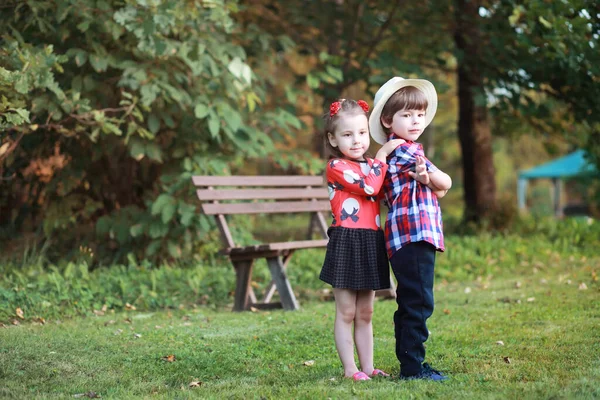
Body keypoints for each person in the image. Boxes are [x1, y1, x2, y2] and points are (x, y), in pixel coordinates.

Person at [368, 77, 453, 381]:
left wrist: (431, 182)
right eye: (407, 115)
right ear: (388, 120)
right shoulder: (406, 152)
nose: (416, 120)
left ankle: (411, 364)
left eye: (420, 114)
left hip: (405, 236)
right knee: (418, 302)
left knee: (410, 300)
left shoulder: (397, 151)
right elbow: (447, 183)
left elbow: (439, 189)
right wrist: (435, 180)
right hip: (413, 233)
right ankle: (413, 369)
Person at [320, 98, 405, 381]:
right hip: (346, 240)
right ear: (333, 138)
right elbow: (370, 186)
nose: (356, 140)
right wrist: (382, 159)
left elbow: (383, 192)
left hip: (370, 240)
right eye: (347, 134)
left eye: (361, 133)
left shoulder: (370, 164)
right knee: (346, 311)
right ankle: (350, 370)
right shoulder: (336, 166)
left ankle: (368, 367)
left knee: (366, 311)